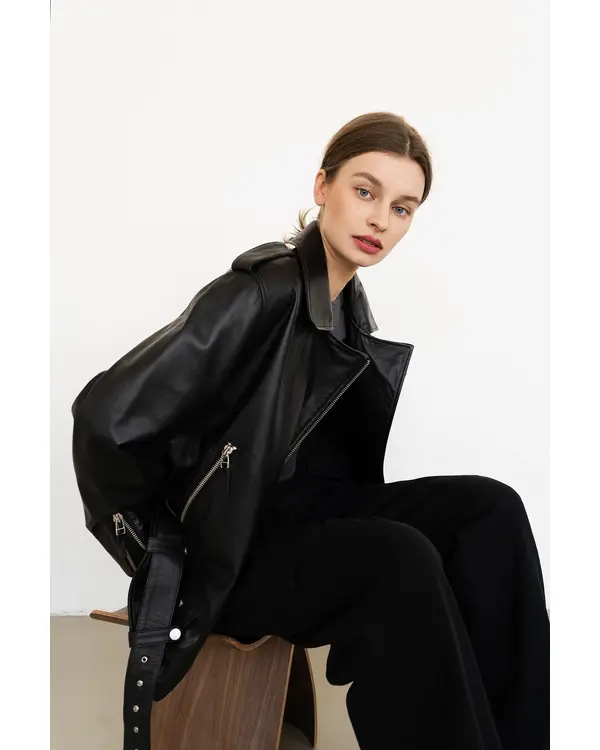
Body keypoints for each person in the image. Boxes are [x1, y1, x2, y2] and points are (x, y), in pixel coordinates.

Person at [71, 112, 549, 750]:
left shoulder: (346, 305)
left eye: (402, 208)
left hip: (298, 518)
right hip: (232, 557)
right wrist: (158, 560)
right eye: (365, 191)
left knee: (489, 511)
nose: (380, 220)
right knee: (396, 558)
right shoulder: (259, 293)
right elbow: (103, 419)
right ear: (323, 186)